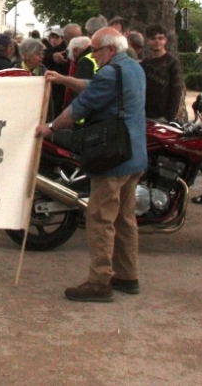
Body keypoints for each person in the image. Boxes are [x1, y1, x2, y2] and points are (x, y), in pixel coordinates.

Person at [38, 28, 147, 302]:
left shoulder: (109, 72)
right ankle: (127, 274)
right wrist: (65, 79)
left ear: (110, 50)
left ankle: (99, 281)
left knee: (99, 219)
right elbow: (96, 87)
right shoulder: (133, 67)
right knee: (125, 219)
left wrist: (50, 127)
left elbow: (80, 107)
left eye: (95, 50)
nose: (92, 55)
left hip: (112, 157)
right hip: (134, 154)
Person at [140, 24, 183, 122]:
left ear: (165, 40)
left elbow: (176, 91)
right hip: (145, 115)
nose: (157, 41)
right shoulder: (145, 63)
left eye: (160, 38)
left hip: (163, 118)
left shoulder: (172, 63)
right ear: (147, 41)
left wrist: (169, 117)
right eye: (153, 38)